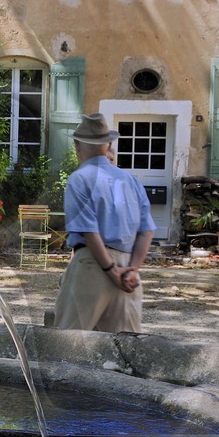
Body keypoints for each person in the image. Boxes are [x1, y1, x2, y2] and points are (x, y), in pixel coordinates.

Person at [52, 113, 156, 333]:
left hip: (93, 264)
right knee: (125, 351)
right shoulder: (131, 180)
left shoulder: (79, 178)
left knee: (69, 344)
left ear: (77, 145)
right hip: (128, 267)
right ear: (107, 144)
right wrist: (131, 271)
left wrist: (111, 270)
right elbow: (146, 230)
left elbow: (89, 231)